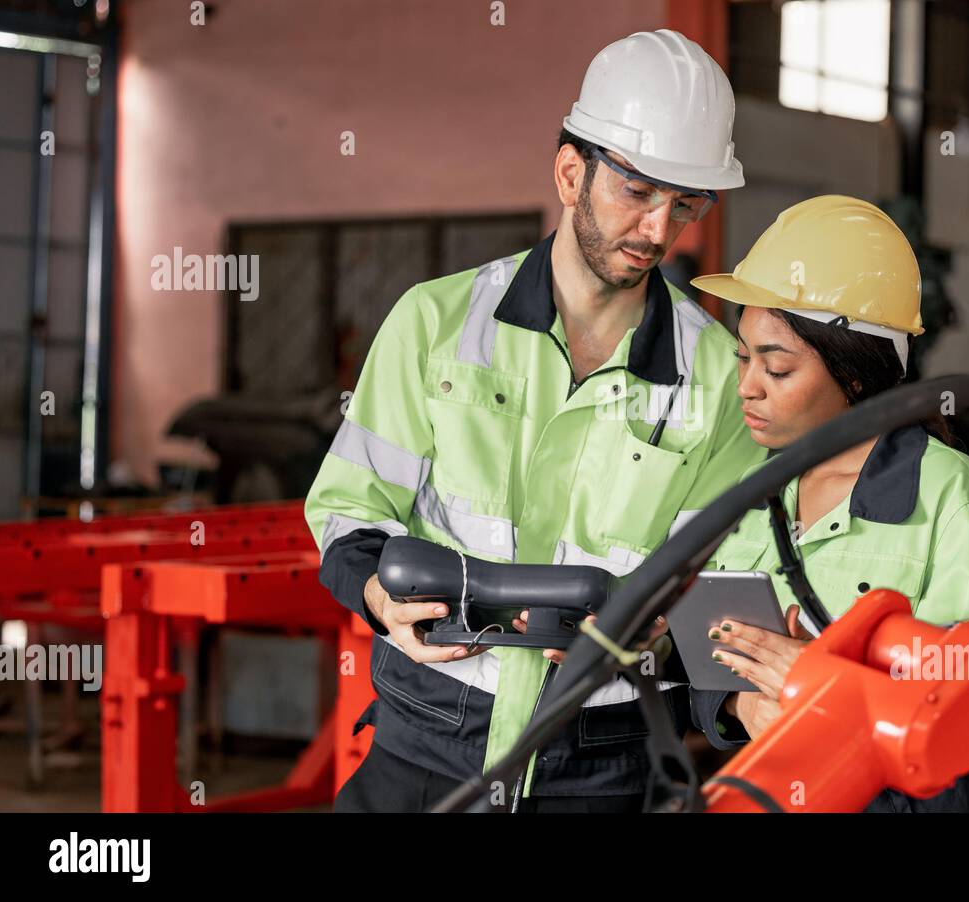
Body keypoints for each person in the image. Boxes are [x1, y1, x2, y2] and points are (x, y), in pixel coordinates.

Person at [305, 29, 765, 813]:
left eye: (685, 204)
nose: (660, 230)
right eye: (638, 193)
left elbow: (719, 584)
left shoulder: (720, 377)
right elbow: (348, 512)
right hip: (427, 737)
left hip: (600, 760)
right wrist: (380, 600)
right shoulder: (434, 323)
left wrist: (646, 635)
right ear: (569, 172)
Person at [687, 195, 969, 812]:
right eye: (742, 358)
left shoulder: (950, 494)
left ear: (856, 374)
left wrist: (820, 690)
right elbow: (705, 659)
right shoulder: (748, 489)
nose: (748, 387)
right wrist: (743, 706)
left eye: (778, 368)